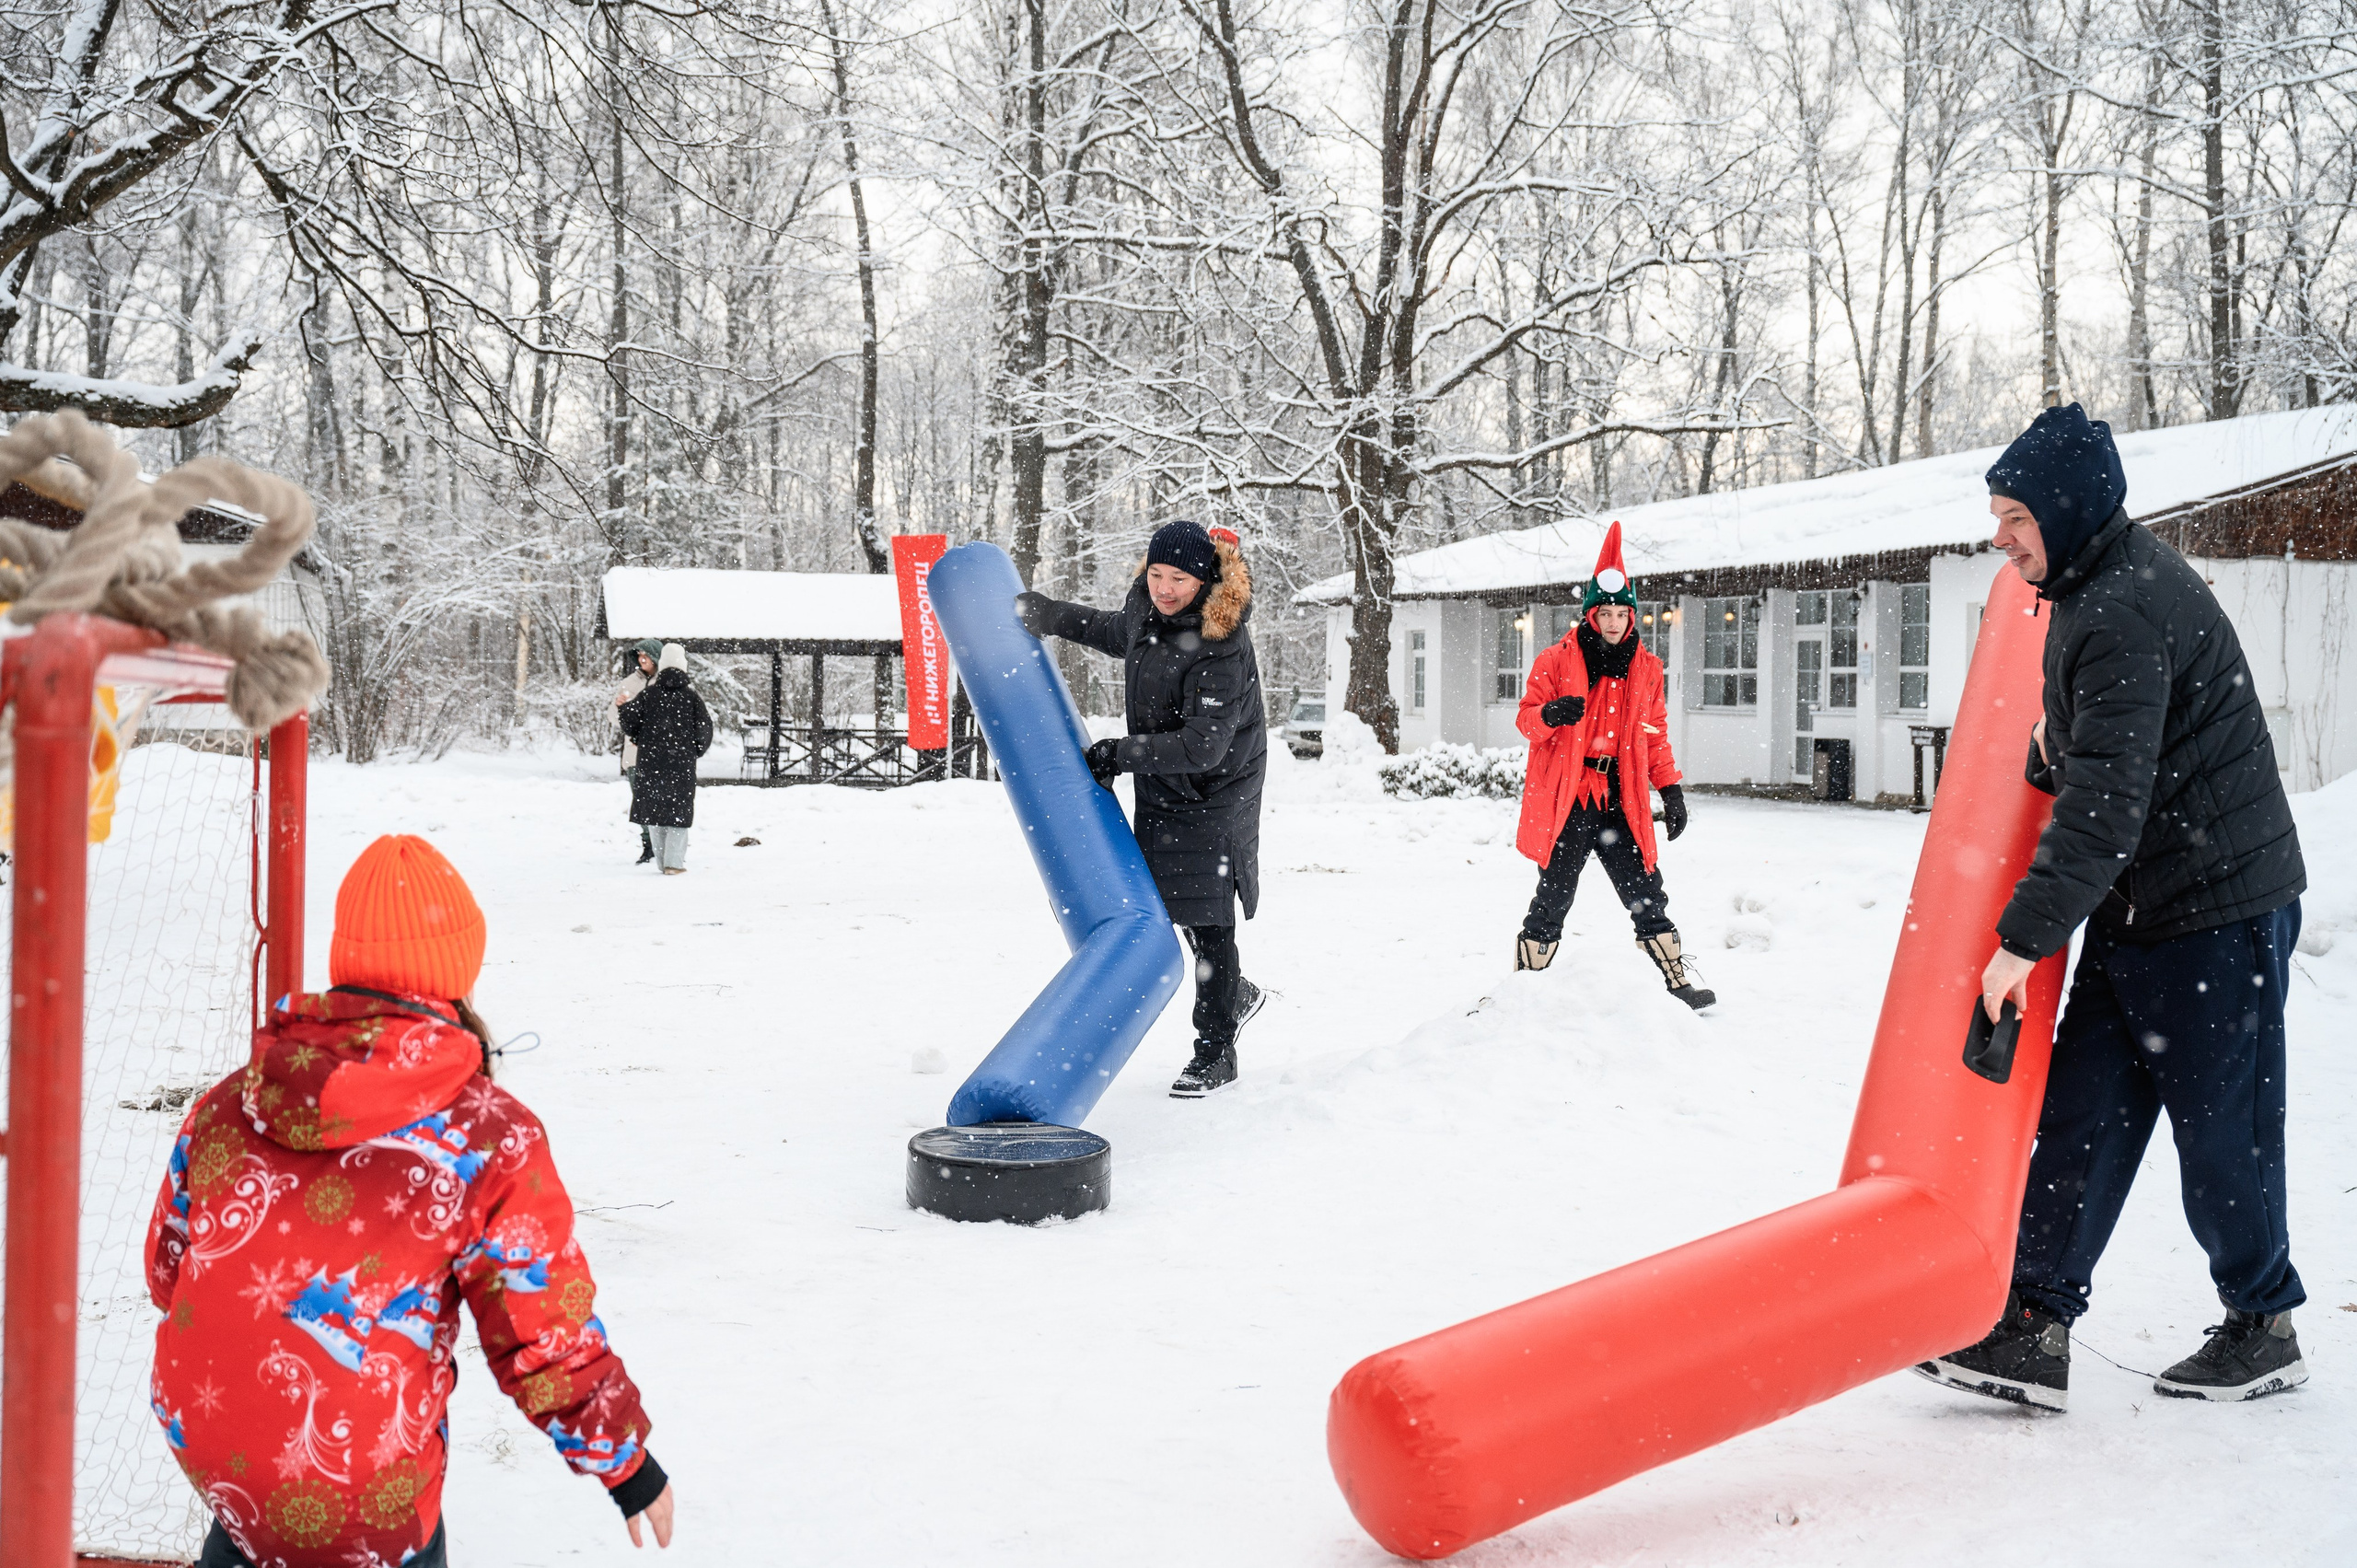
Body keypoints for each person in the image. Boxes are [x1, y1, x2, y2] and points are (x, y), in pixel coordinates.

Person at [1917, 402, 2309, 1411]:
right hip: (2145, 902)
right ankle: (2034, 1324)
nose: (1998, 538)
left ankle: (2261, 1322)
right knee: (2082, 1111)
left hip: (2218, 904)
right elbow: (2098, 754)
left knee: (2221, 1128)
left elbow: (2101, 812)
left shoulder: (2122, 608)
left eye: (2013, 518)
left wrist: (2018, 944)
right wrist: (2057, 743)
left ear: (2066, 509)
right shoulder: (2091, 586)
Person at [144, 834, 676, 1565]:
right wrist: (626, 1462)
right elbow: (541, 1326)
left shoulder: (231, 1103)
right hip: (368, 1485)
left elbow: (167, 1269)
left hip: (215, 1448)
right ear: (456, 973)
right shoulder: (488, 1135)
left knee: (258, 1520)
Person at [1016, 519, 1269, 1098]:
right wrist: (1052, 615)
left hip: (1216, 791)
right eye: (1155, 574)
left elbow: (1205, 744)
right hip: (1165, 778)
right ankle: (1235, 992)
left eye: (1177, 578)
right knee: (1163, 899)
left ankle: (1216, 1050)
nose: (1164, 588)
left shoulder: (1220, 642)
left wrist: (1120, 753)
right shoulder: (1148, 614)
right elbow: (1116, 631)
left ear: (1204, 579)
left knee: (1206, 913)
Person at [1511, 522, 1713, 1009]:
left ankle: (1676, 980)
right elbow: (1525, 720)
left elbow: (1654, 735)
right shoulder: (1556, 660)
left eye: (1624, 613)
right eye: (1607, 613)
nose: (1616, 621)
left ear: (1632, 615)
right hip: (1571, 796)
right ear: (1592, 615)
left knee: (1645, 889)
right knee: (1554, 896)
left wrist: (1670, 789)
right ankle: (1521, 993)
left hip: (1619, 796)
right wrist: (1551, 716)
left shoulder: (1646, 669)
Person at [618, 643, 713, 876]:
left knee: (655, 811)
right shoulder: (691, 697)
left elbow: (629, 719)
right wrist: (694, 750)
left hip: (651, 762)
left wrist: (639, 735)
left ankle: (661, 862)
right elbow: (705, 729)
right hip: (681, 764)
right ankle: (673, 864)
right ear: (683, 666)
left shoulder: (649, 695)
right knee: (678, 812)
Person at [615, 638, 664, 865]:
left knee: (661, 800)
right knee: (641, 801)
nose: (642, 659)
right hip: (634, 755)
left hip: (658, 754)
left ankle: (662, 844)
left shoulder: (665, 683)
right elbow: (612, 717)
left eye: (647, 655)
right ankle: (648, 846)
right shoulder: (629, 683)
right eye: (639, 655)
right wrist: (620, 708)